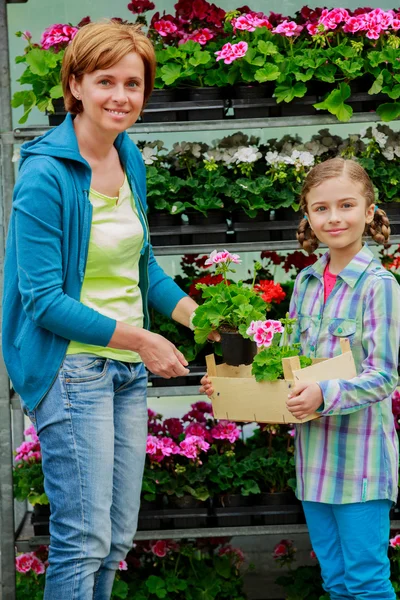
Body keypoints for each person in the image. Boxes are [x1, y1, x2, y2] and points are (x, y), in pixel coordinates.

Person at [3, 20, 216, 600]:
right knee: (83, 540)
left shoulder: (129, 158)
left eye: (134, 84)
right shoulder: (45, 174)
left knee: (116, 540)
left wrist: (205, 319)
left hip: (122, 372)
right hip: (73, 372)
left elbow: (143, 268)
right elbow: (42, 301)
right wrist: (142, 341)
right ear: (75, 84)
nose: (121, 97)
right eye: (105, 81)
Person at [201, 157, 400, 599]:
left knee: (367, 582)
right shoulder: (307, 282)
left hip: (361, 462)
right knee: (336, 581)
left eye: (346, 205)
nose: (334, 218)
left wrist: (323, 394)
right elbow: (284, 361)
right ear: (307, 215)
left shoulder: (378, 285)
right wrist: (234, 383)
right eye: (321, 208)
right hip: (314, 461)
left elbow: (384, 376)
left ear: (369, 211)